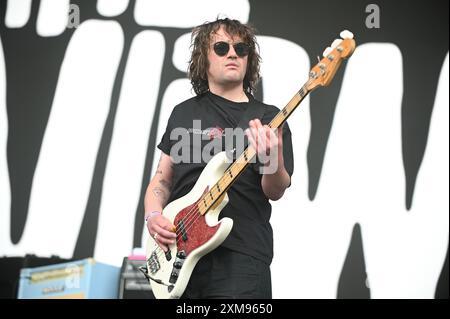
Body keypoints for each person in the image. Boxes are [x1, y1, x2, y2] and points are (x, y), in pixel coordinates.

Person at [144, 17, 294, 299]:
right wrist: (153, 215)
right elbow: (162, 179)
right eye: (222, 47)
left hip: (241, 257)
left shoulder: (267, 119)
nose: (233, 53)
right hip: (179, 257)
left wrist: (273, 158)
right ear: (204, 58)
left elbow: (275, 191)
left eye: (242, 48)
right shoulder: (182, 113)